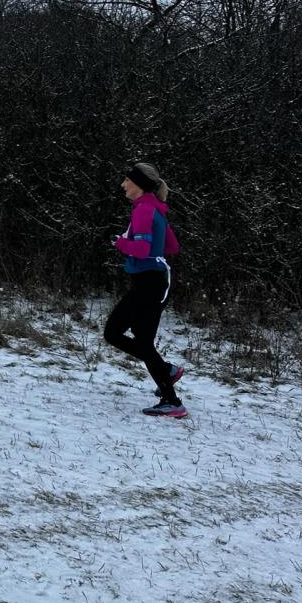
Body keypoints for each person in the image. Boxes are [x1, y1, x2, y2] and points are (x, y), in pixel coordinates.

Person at [105, 162, 186, 418]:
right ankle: (171, 398)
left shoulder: (143, 211)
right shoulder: (155, 209)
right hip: (157, 281)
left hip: (149, 284)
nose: (123, 185)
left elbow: (140, 250)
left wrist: (118, 241)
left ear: (138, 184)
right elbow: (172, 247)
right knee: (143, 341)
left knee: (113, 332)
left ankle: (166, 372)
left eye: (127, 180)